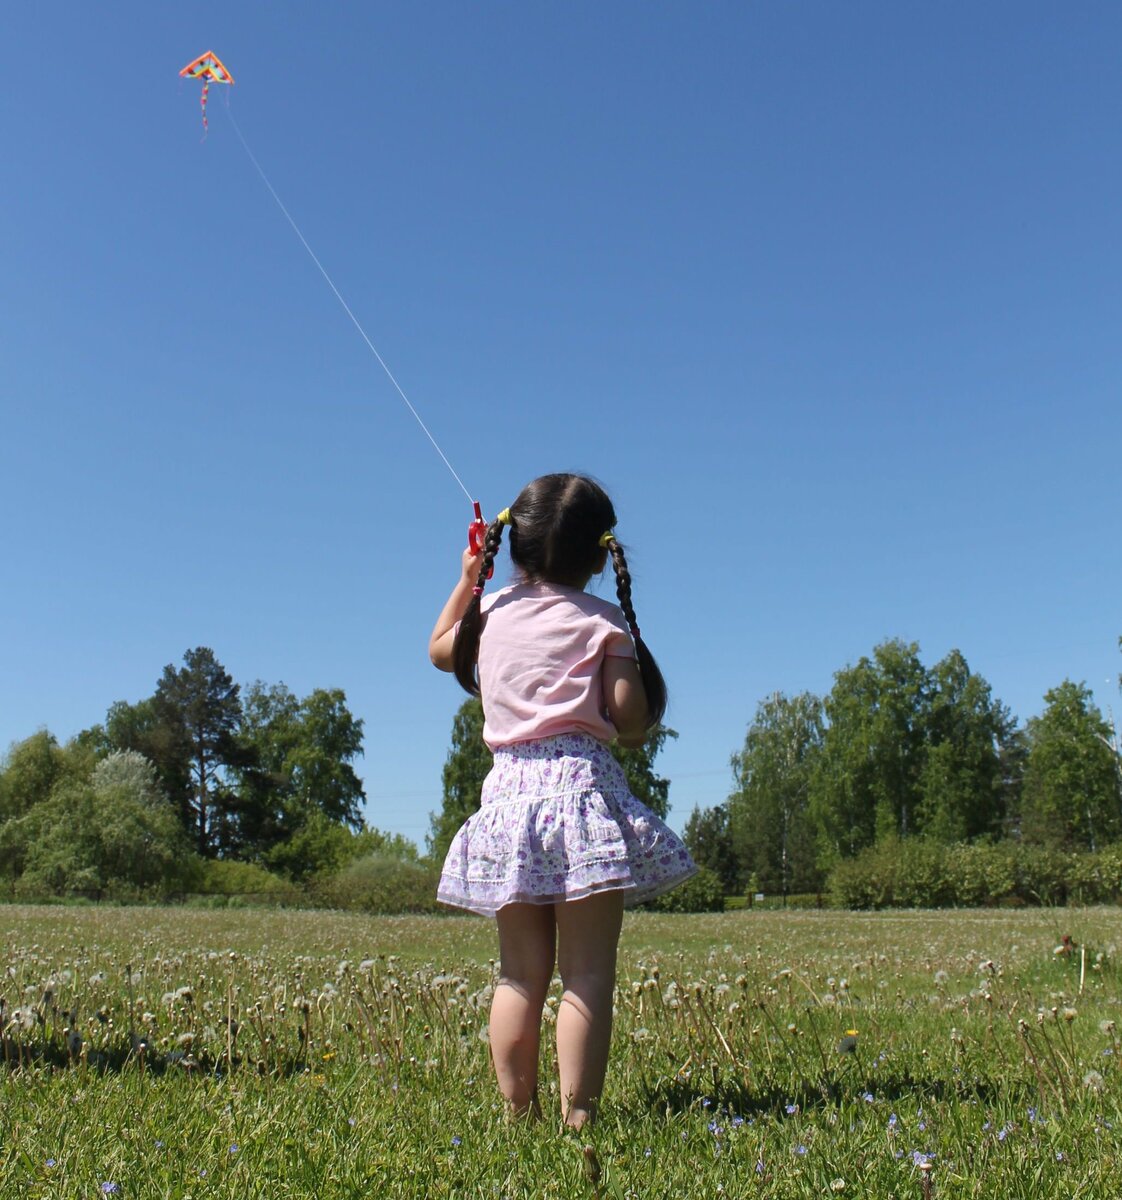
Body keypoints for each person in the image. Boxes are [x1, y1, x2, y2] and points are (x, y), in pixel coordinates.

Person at [429, 473, 695, 1129]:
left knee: (518, 976)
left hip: (508, 802)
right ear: (602, 555)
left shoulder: (487, 617)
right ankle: (580, 1123)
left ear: (511, 545)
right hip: (582, 798)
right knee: (586, 976)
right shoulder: (603, 621)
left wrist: (470, 580)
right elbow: (629, 717)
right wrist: (630, 706)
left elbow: (441, 651)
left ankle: (518, 1116)